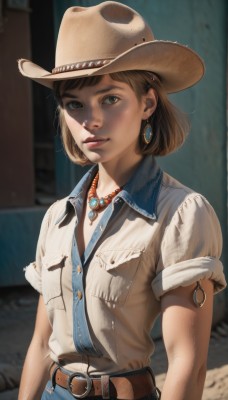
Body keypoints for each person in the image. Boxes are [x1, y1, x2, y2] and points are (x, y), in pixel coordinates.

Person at [17, 2, 226, 400]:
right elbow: (42, 345)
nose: (90, 120)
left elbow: (189, 364)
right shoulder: (56, 219)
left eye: (110, 99)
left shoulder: (181, 214)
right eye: (74, 104)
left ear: (147, 103)